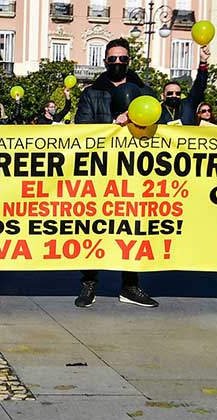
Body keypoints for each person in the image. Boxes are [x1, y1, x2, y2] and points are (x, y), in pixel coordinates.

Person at [74, 37, 158, 309]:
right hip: (99, 172)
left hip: (134, 172)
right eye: (113, 59)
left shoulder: (144, 92)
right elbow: (82, 128)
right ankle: (89, 285)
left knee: (132, 228)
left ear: (129, 61)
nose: (118, 63)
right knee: (94, 228)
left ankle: (131, 286)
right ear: (105, 62)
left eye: (122, 59)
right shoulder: (91, 93)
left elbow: (160, 125)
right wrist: (114, 124)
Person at [157, 46, 210, 125]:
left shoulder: (187, 106)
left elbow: (199, 86)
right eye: (170, 93)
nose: (174, 96)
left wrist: (203, 61)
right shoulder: (156, 111)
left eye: (177, 93)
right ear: (163, 95)